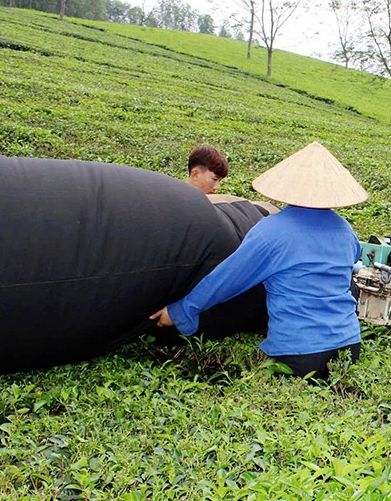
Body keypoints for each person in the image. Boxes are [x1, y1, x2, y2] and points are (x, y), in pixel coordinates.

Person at [152, 141, 368, 383]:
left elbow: (227, 279)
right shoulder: (345, 230)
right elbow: (349, 267)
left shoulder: (272, 231)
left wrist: (181, 311)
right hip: (349, 346)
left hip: (302, 354)